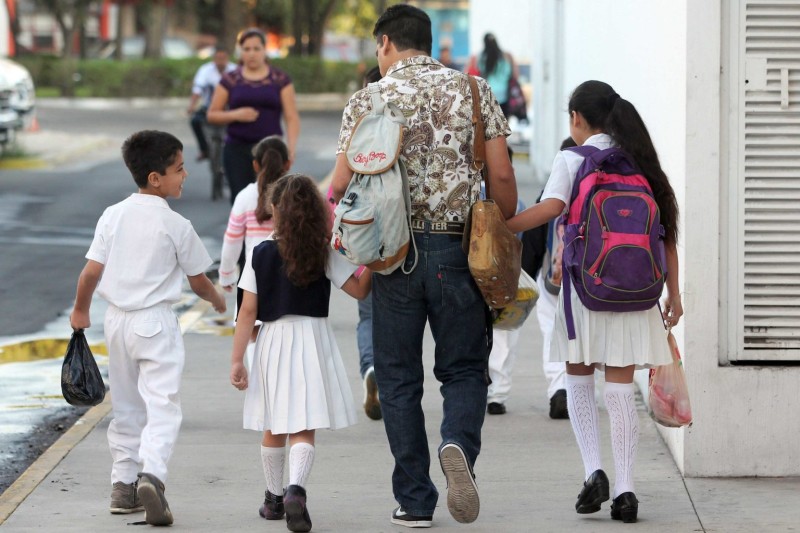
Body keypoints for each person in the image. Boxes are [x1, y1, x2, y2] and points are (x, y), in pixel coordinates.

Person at [331, 5, 517, 528]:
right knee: (463, 369)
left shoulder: (368, 98)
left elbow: (342, 185)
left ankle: (415, 500)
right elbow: (501, 177)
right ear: (428, 42)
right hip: (460, 253)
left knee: (396, 380)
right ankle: (457, 444)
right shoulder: (476, 93)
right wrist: (500, 227)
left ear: (386, 42)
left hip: (393, 258)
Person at [506, 80, 683, 523]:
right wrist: (674, 296)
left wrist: (502, 224)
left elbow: (549, 209)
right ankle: (626, 491)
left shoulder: (572, 158)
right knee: (621, 391)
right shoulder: (642, 161)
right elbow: (667, 236)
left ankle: (594, 473)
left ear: (577, 120)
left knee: (579, 379)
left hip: (586, 291)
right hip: (638, 294)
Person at [69, 130, 226, 526]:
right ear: (155, 178)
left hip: (116, 322)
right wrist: (218, 299)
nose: (185, 175)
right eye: (179, 168)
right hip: (155, 321)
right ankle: (152, 475)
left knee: (124, 406)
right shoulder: (176, 225)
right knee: (163, 405)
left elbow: (91, 272)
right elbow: (198, 281)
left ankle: (122, 487)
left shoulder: (113, 214)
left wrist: (80, 311)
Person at [229, 173, 371, 533]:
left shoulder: (260, 253)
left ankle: (273, 500)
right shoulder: (322, 250)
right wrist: (373, 262)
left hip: (273, 341)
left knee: (273, 422)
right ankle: (297, 490)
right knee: (303, 424)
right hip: (312, 339)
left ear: (275, 210)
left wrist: (236, 359)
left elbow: (247, 310)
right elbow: (358, 290)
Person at [207, 28, 300, 204]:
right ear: (240, 52)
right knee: (241, 201)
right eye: (247, 49)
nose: (252, 54)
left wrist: (291, 148)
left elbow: (292, 117)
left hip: (271, 150)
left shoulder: (280, 79)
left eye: (256, 48)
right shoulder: (230, 79)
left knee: (272, 201)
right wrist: (235, 114)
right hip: (237, 149)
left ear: (265, 50)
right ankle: (241, 232)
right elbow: (212, 114)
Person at [187, 47, 236, 161]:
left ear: (227, 58)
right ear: (214, 59)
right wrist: (191, 106)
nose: (220, 61)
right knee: (195, 121)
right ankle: (204, 149)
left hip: (230, 110)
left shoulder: (235, 71)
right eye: (218, 58)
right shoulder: (205, 70)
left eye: (223, 58)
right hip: (209, 108)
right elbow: (197, 89)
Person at [467, 34, 519, 119]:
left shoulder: (481, 58)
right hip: (504, 97)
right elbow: (515, 75)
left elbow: (472, 73)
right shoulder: (506, 56)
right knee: (504, 127)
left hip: (488, 96)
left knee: (490, 128)